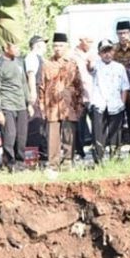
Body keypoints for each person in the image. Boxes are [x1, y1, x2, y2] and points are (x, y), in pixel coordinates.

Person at [38, 33, 84, 170]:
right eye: (55, 45)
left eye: (61, 45)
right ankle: (53, 164)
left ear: (66, 47)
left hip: (68, 105)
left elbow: (78, 85)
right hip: (51, 105)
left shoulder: (72, 64)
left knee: (69, 134)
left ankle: (68, 161)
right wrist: (41, 105)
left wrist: (79, 105)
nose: (58, 48)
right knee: (53, 136)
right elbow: (41, 85)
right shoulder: (46, 64)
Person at [0, 43, 33, 171]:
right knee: (10, 135)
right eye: (15, 47)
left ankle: (21, 163)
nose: (18, 49)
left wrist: (29, 104)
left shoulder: (20, 62)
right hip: (7, 105)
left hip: (21, 104)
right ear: (6, 48)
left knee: (22, 136)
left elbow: (24, 84)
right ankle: (10, 163)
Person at [88, 40, 129, 164]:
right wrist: (89, 62)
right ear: (99, 53)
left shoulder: (119, 67)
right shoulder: (96, 65)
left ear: (113, 52)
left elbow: (125, 87)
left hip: (115, 104)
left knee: (115, 132)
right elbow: (90, 68)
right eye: (104, 51)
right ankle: (98, 160)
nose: (107, 54)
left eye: (109, 51)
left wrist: (122, 103)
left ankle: (115, 158)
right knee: (98, 133)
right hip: (99, 103)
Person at [112, 20, 130, 154]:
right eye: (120, 33)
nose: (123, 36)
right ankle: (115, 148)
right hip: (116, 93)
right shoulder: (113, 50)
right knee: (116, 122)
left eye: (125, 33)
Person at [25, 35, 48, 163]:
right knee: (34, 125)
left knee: (41, 125)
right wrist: (33, 93)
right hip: (36, 93)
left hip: (41, 93)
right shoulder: (32, 57)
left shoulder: (40, 58)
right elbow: (31, 75)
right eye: (43, 43)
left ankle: (43, 154)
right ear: (37, 44)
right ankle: (33, 157)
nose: (45, 46)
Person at [71, 36, 95, 159]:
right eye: (88, 41)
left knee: (96, 123)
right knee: (79, 125)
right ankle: (79, 152)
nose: (90, 44)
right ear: (81, 41)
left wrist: (91, 63)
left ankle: (97, 149)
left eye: (92, 42)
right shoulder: (73, 55)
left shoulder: (93, 54)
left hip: (93, 94)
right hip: (79, 95)